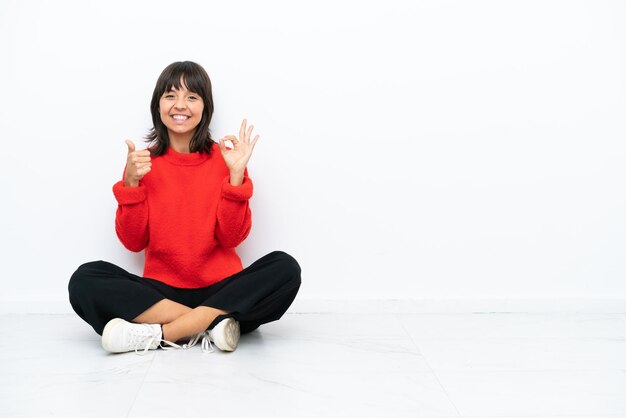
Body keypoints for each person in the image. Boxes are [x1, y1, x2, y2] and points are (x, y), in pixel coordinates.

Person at [68, 61, 302, 355]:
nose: (181, 105)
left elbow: (232, 239)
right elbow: (132, 242)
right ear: (158, 105)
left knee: (285, 268)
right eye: (170, 95)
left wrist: (236, 177)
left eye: (192, 97)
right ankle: (212, 325)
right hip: (161, 294)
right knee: (84, 279)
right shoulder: (142, 164)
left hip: (222, 290)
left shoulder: (227, 160)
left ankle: (161, 334)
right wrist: (131, 185)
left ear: (205, 107)